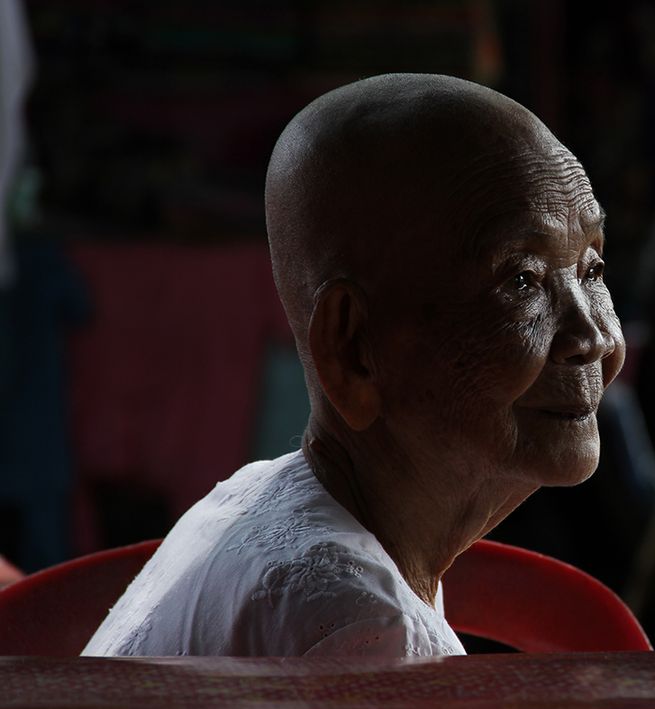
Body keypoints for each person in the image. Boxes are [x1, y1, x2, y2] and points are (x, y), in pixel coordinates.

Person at [83, 74, 624, 657]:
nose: (592, 337)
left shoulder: (259, 495)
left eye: (591, 269)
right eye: (521, 280)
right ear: (352, 349)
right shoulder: (364, 628)